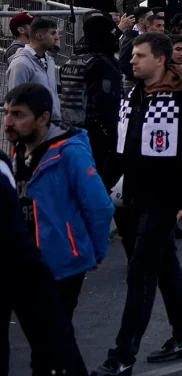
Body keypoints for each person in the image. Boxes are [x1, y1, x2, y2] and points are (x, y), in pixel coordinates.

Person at [91, 33, 182, 376]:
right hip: (133, 197)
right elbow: (119, 149)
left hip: (165, 198)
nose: (132, 60)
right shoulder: (133, 95)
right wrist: (98, 190)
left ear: (160, 59)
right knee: (165, 264)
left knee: (140, 274)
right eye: (132, 55)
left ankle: (122, 356)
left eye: (139, 55)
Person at [6, 81, 113, 369]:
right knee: (51, 341)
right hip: (28, 262)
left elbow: (99, 206)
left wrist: (93, 253)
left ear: (43, 118)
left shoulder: (69, 151)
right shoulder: (18, 150)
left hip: (62, 262)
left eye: (18, 114)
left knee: (51, 342)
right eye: (6, 113)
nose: (8, 122)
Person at [59, 13, 125, 188]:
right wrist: (112, 134)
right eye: (111, 33)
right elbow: (107, 104)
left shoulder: (72, 60)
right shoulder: (100, 63)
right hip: (94, 136)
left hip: (69, 131)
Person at [6, 16, 61, 123]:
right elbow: (16, 102)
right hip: (33, 128)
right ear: (39, 35)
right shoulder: (21, 64)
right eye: (53, 33)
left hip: (52, 124)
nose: (57, 38)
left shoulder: (49, 60)